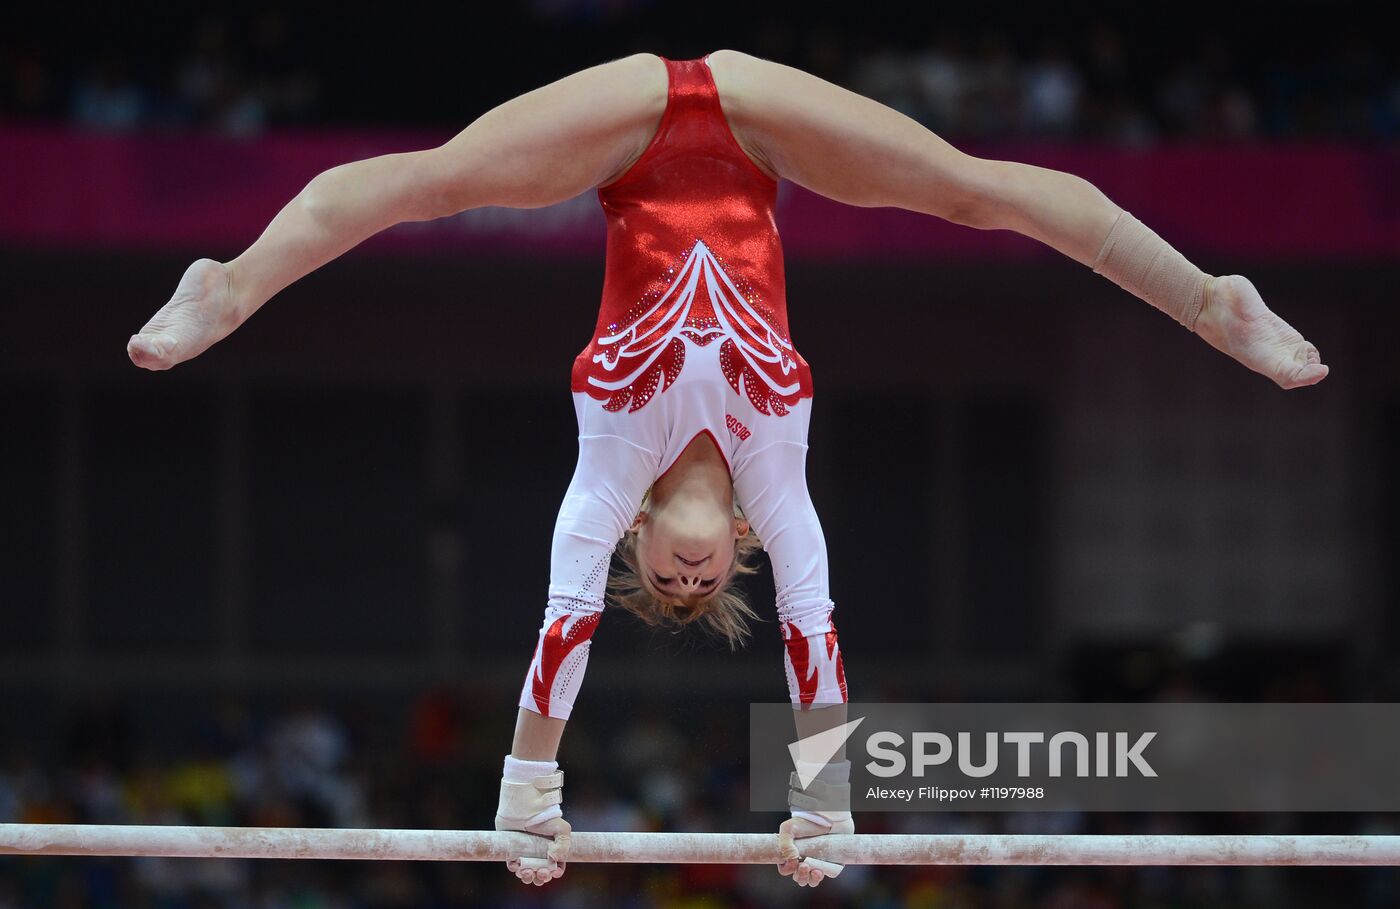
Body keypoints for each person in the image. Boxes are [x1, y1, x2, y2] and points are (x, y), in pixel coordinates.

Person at [126, 50, 1328, 889]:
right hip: (755, 125)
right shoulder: (775, 476)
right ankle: (1210, 299)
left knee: (434, 180)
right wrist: (824, 802)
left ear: (642, 545)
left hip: (616, 135)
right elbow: (813, 633)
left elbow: (564, 616)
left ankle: (227, 282)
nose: (695, 574)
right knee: (969, 191)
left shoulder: (608, 462)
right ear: (741, 546)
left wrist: (526, 791)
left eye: (672, 585)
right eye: (713, 587)